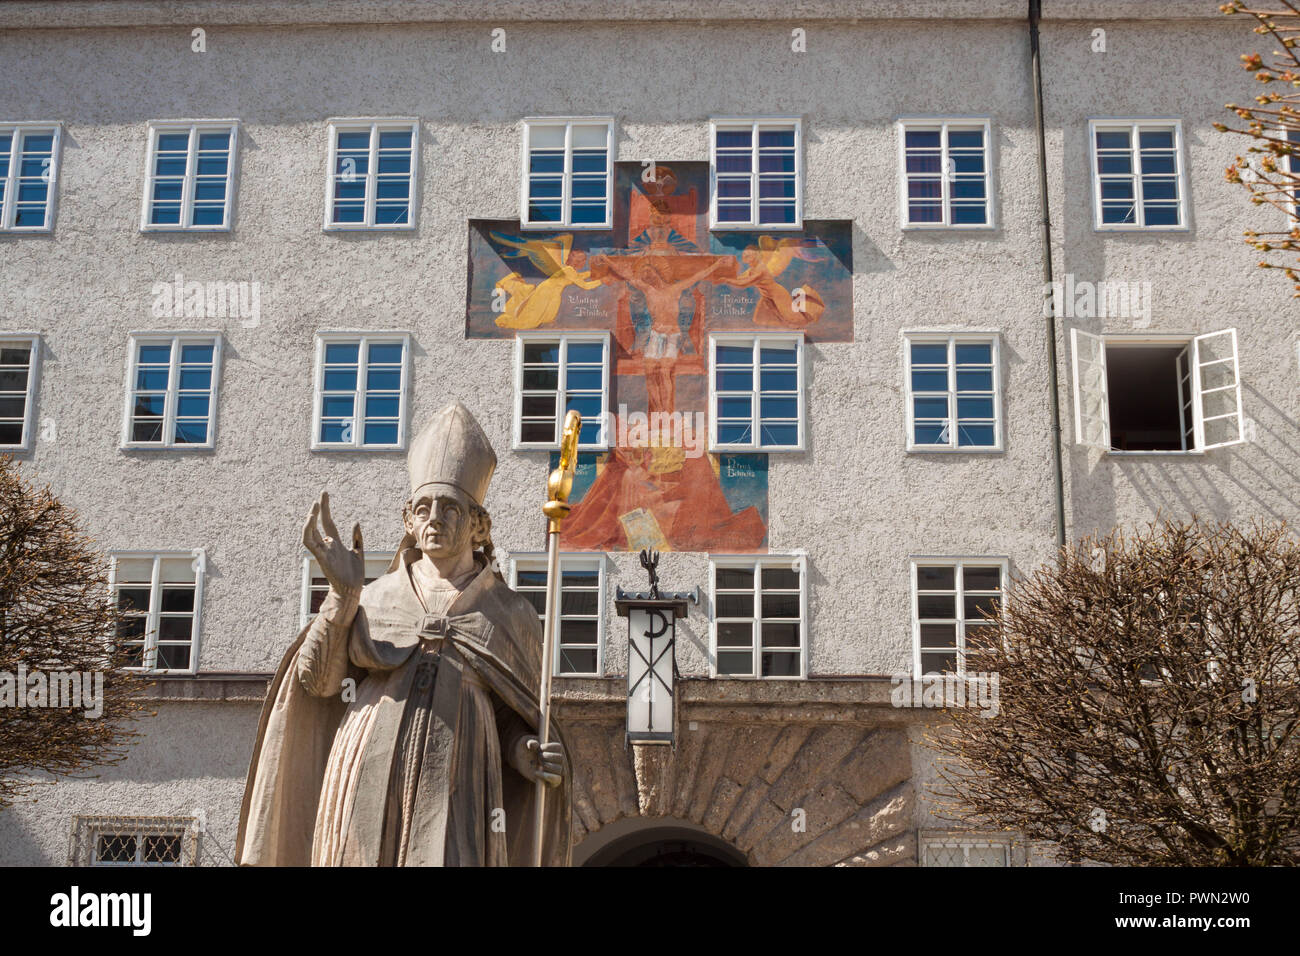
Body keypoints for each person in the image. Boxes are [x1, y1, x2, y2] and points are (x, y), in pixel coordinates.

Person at [237, 402, 571, 866]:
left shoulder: (509, 612)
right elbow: (320, 684)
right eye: (423, 508)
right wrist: (342, 598)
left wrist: (522, 750)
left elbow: (512, 713)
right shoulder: (374, 597)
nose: (435, 518)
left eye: (450, 508)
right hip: (364, 771)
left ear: (478, 524)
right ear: (409, 520)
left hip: (462, 780)